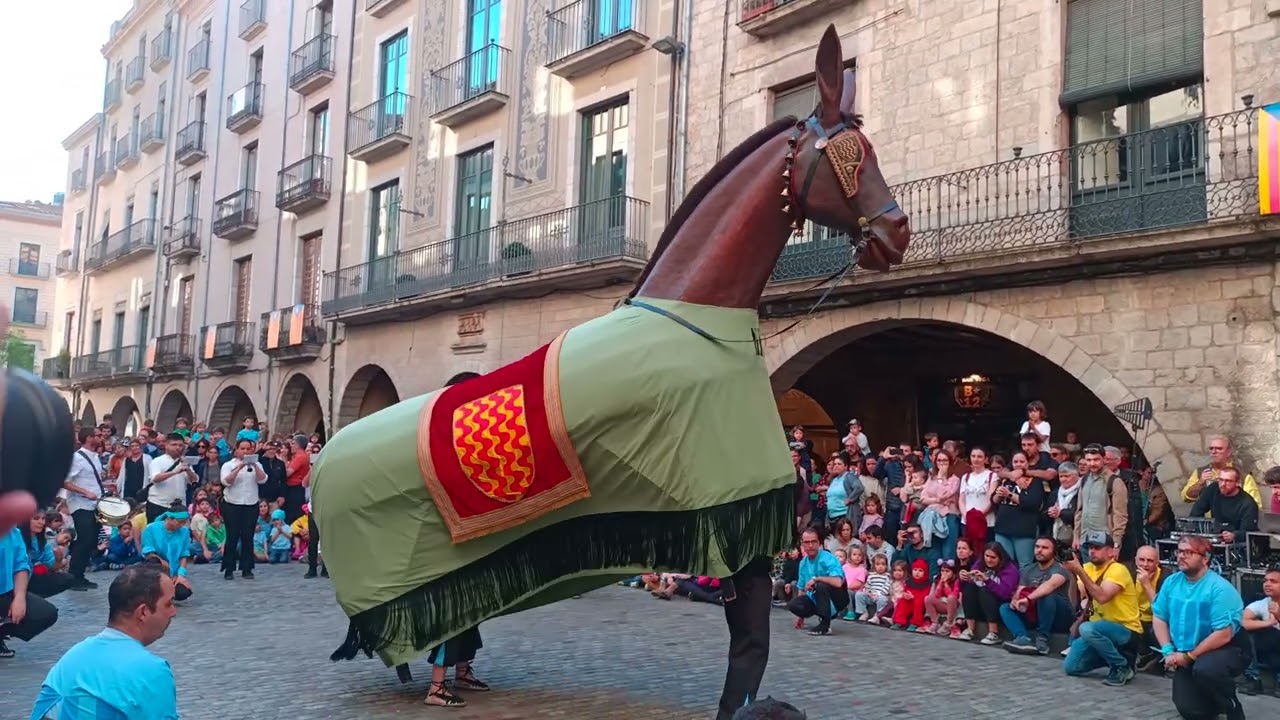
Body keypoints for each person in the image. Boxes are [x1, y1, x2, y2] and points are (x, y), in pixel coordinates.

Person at [30, 564, 179, 719]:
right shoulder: (152, 670)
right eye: (168, 604)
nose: (173, 612)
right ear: (143, 612)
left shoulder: (73, 657)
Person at [1152, 535, 1248, 720]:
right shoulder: (1172, 582)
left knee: (1206, 669)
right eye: (1179, 551)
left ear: (1205, 558)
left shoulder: (1219, 588)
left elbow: (1223, 634)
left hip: (1226, 648)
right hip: (1187, 650)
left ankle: (1231, 706)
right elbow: (1159, 616)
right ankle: (1211, 703)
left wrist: (1189, 656)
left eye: (1188, 552)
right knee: (1190, 710)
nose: (1181, 556)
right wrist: (1167, 650)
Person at [1061, 531, 1142, 687]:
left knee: (1086, 629)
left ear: (1111, 551)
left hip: (1125, 629)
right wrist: (1071, 573)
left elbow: (1103, 596)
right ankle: (1116, 658)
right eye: (1090, 547)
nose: (1092, 551)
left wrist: (1079, 571)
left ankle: (1121, 665)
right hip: (1097, 629)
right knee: (1071, 667)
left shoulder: (1118, 569)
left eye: (1098, 547)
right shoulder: (1087, 567)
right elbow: (1075, 600)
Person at [0, 525, 59, 658]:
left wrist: (19, 598)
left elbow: (20, 565)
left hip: (4, 592)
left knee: (45, 613)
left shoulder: (13, 532)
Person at [63, 427, 109, 590]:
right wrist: (85, 492)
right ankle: (73, 577)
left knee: (90, 541)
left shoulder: (95, 457)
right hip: (81, 504)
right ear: (89, 438)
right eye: (97, 435)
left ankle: (80, 575)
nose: (101, 437)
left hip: (95, 505)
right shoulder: (77, 458)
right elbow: (65, 481)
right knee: (84, 540)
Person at [786, 527, 847, 636]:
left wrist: (816, 579)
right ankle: (822, 615)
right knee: (794, 604)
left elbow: (838, 582)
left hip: (836, 598)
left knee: (820, 585)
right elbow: (802, 590)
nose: (810, 545)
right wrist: (801, 617)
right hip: (816, 600)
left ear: (819, 542)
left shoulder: (828, 558)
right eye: (807, 542)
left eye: (813, 541)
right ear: (802, 544)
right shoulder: (803, 563)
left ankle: (824, 625)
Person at [220, 438, 266, 581]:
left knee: (248, 537)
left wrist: (254, 465)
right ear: (237, 450)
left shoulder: (257, 465)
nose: (245, 451)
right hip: (232, 504)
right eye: (243, 449)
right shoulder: (228, 465)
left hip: (251, 504)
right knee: (232, 536)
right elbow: (226, 481)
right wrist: (239, 467)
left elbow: (262, 480)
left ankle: (247, 568)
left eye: (248, 449)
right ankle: (229, 568)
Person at [140, 500, 195, 602]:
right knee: (153, 561)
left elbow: (184, 554)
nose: (182, 525)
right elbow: (148, 553)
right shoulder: (150, 529)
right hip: (157, 565)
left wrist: (180, 575)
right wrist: (164, 564)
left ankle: (168, 589)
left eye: (184, 522)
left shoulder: (184, 532)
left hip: (174, 570)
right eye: (180, 522)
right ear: (170, 518)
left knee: (183, 593)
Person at [146, 433, 198, 522]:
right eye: (174, 445)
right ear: (166, 446)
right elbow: (155, 478)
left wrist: (188, 470)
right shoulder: (157, 461)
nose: (178, 448)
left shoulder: (184, 461)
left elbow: (195, 480)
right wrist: (175, 472)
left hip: (179, 506)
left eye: (180, 445)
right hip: (159, 504)